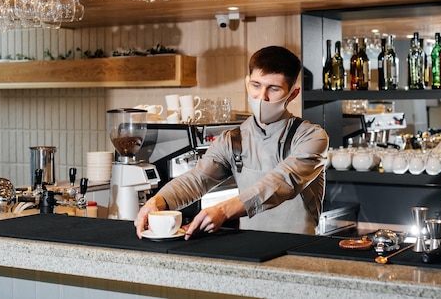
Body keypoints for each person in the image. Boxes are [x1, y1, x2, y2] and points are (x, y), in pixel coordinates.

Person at [135, 46, 329, 239]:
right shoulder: (233, 139)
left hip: (298, 249)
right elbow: (197, 179)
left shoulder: (311, 137)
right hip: (248, 249)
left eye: (274, 88)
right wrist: (158, 201)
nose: (262, 97)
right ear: (247, 83)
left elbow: (283, 181)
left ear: (292, 94)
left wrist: (224, 210)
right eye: (256, 85)